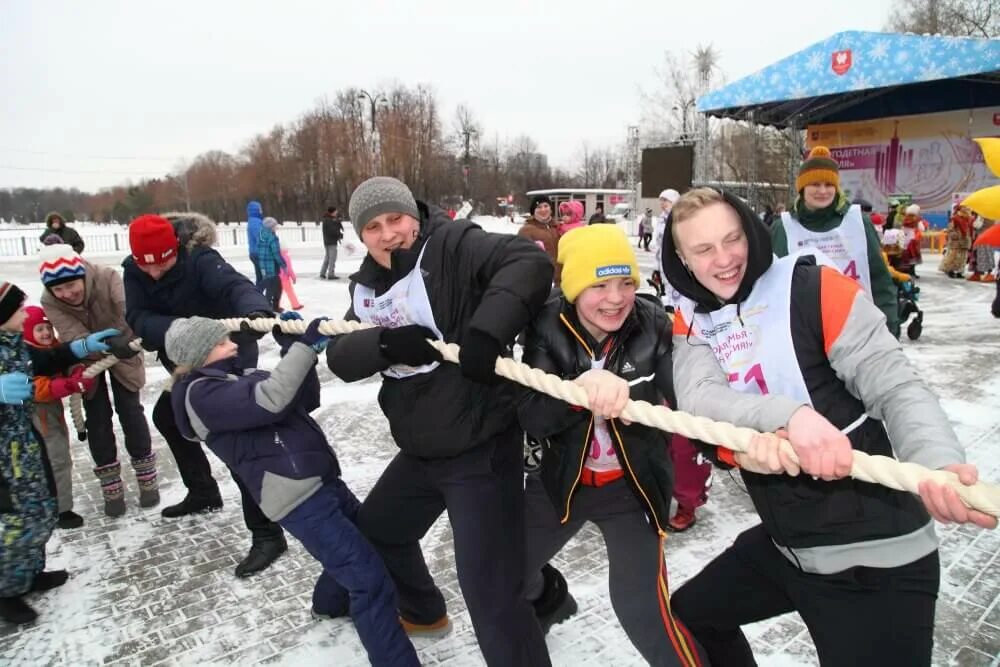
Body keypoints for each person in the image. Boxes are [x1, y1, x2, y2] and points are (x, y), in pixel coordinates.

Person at [661, 187, 996, 665]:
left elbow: (897, 386)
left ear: (752, 235)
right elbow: (700, 400)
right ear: (683, 259)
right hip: (791, 547)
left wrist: (936, 464)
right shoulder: (691, 320)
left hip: (875, 556)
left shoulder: (818, 289)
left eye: (732, 239)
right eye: (703, 249)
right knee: (694, 614)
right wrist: (789, 417)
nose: (724, 259)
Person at [326, 176, 553, 666]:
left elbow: (528, 262)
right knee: (380, 530)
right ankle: (424, 610)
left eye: (396, 219)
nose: (389, 234)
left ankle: (536, 613)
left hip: (481, 445)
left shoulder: (452, 245)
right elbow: (341, 357)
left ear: (414, 214)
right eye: (373, 227)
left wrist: (487, 330)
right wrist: (383, 344)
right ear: (360, 236)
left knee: (489, 590)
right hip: (421, 449)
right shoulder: (369, 286)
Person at [168, 314, 420, 667]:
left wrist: (295, 351)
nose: (234, 345)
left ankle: (329, 604)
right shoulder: (203, 395)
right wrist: (302, 348)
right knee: (369, 581)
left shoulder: (238, 377)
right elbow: (271, 400)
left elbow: (303, 400)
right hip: (299, 500)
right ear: (200, 355)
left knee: (366, 542)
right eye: (223, 343)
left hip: (321, 481)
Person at [518, 225, 705, 666]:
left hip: (632, 487)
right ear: (572, 287)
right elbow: (531, 415)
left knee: (643, 611)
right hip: (563, 483)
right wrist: (580, 392)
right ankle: (549, 600)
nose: (615, 298)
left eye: (625, 283)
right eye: (598, 285)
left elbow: (689, 399)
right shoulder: (546, 323)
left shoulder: (654, 324)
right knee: (506, 573)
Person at [123, 212, 288, 578]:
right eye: (145, 265)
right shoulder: (133, 271)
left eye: (162, 262)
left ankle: (267, 534)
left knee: (233, 437)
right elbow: (138, 314)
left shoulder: (200, 258)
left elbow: (234, 287)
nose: (154, 273)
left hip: (226, 353)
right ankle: (203, 492)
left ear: (175, 249)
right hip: (184, 361)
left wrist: (255, 310)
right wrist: (178, 331)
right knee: (167, 416)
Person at [0, 281, 119, 623]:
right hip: (2, 461)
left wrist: (83, 346)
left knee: (39, 510)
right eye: (18, 310)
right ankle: (6, 591)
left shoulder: (14, 344)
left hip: (24, 444)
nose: (25, 315)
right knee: (14, 522)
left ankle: (28, 573)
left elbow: (51, 357)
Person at [39, 244, 158, 517]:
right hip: (85, 357)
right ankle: (111, 486)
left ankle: (146, 478)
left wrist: (126, 338)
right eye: (59, 290)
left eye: (71, 285)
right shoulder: (50, 300)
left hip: (125, 347)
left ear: (81, 274)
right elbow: (70, 333)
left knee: (130, 411)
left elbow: (130, 310)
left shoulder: (108, 277)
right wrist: (95, 346)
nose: (67, 294)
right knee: (97, 417)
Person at [770, 146, 900, 336]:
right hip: (805, 334)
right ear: (802, 187)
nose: (823, 191)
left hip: (858, 328)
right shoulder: (783, 228)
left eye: (829, 185)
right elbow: (772, 286)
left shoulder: (859, 222)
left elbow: (879, 280)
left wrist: (890, 328)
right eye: (815, 184)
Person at [22, 305, 92, 529]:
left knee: (59, 458)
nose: (45, 333)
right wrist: (65, 385)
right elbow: (36, 388)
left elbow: (64, 360)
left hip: (52, 413)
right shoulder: (24, 356)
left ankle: (54, 506)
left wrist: (76, 371)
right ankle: (59, 511)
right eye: (39, 329)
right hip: (38, 415)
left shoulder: (53, 348)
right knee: (56, 459)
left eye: (48, 328)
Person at [517, 195, 561, 286]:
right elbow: (521, 258)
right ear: (533, 211)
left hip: (561, 280)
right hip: (539, 281)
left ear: (551, 209)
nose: (543, 210)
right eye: (539, 207)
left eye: (546, 206)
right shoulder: (526, 230)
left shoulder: (558, 227)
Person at [257, 217, 286, 312]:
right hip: (272, 266)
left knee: (273, 286)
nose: (276, 228)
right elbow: (276, 254)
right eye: (274, 226)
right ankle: (270, 307)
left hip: (263, 266)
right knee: (274, 288)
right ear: (270, 227)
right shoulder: (273, 238)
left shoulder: (261, 235)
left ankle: (272, 306)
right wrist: (283, 265)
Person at [939, 206, 974, 278]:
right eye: (965, 209)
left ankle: (959, 272)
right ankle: (950, 270)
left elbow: (970, 230)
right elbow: (950, 229)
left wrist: (970, 238)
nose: (967, 210)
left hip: (965, 241)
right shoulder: (955, 218)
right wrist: (956, 236)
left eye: (967, 209)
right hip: (956, 242)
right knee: (953, 256)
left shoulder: (968, 219)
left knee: (963, 257)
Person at [320, 206, 345, 280]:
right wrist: (340, 235)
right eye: (335, 211)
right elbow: (332, 231)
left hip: (327, 241)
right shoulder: (329, 220)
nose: (336, 212)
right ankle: (331, 274)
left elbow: (334, 226)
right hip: (331, 242)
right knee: (332, 258)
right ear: (332, 212)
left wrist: (338, 221)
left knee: (327, 258)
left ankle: (322, 273)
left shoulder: (327, 219)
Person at [246, 200, 264, 287]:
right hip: (258, 253)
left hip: (255, 252)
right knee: (264, 278)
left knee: (260, 277)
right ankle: (258, 295)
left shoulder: (254, 221)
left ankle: (257, 295)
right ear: (255, 210)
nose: (261, 211)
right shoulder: (255, 222)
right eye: (260, 209)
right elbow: (260, 238)